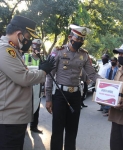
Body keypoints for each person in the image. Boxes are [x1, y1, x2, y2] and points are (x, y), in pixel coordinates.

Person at [0, 15, 55, 150]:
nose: (29, 42)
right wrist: (43, 72)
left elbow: (19, 73)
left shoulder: (13, 50)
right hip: (9, 118)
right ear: (19, 34)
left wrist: (39, 69)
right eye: (28, 37)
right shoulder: (6, 50)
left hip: (13, 116)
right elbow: (23, 78)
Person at [45, 24, 101, 150]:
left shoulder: (84, 55)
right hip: (60, 95)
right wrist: (48, 98)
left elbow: (92, 74)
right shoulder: (58, 51)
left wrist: (107, 83)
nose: (80, 41)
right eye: (78, 38)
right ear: (70, 37)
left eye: (82, 39)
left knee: (72, 131)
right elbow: (49, 76)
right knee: (58, 130)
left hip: (75, 96)